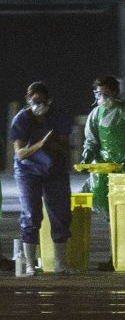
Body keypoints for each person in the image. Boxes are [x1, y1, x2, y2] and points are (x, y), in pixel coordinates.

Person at [81, 75, 125, 271]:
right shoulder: (95, 114)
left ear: (115, 92)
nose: (101, 96)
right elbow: (91, 140)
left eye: (105, 92)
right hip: (105, 172)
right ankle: (117, 256)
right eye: (97, 92)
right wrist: (88, 152)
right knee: (111, 215)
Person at [9, 82, 74, 276]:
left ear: (49, 101)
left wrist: (53, 145)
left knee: (60, 214)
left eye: (43, 101)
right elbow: (20, 153)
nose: (39, 104)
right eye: (35, 101)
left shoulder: (58, 116)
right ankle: (30, 264)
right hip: (28, 172)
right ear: (28, 101)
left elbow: (64, 146)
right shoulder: (21, 119)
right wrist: (41, 144)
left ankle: (60, 264)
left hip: (55, 171)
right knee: (31, 214)